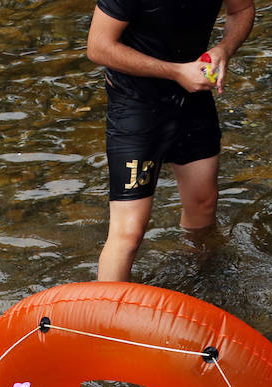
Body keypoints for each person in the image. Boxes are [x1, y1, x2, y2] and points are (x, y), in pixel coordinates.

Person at [86, 0, 255, 282]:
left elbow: (242, 10)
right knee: (129, 232)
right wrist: (176, 72)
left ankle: (195, 284)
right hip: (136, 107)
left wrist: (223, 49)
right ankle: (105, 319)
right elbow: (98, 46)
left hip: (193, 98)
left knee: (203, 204)